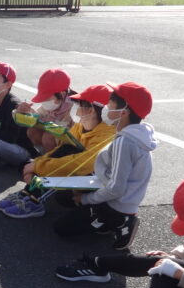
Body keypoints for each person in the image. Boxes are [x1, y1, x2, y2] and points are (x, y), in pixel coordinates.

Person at [51, 81, 156, 250]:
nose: (106, 107)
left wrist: (86, 199)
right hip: (115, 192)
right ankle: (102, 219)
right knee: (63, 197)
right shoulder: (137, 133)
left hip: (117, 204)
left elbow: (116, 189)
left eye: (110, 103)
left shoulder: (125, 142)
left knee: (61, 227)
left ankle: (119, 222)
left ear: (123, 112)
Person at [0, 84, 115, 219]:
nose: (77, 112)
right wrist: (37, 164)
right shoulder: (81, 127)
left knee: (61, 187)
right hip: (81, 170)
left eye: (80, 107)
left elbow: (79, 164)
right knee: (65, 150)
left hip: (96, 180)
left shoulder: (108, 135)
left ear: (91, 111)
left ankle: (35, 201)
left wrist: (38, 167)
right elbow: (60, 150)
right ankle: (27, 194)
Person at [15, 69, 74, 155]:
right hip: (53, 146)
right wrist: (24, 112)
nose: (44, 102)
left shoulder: (75, 107)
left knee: (48, 136)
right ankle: (43, 156)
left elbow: (76, 135)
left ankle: (51, 160)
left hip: (72, 149)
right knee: (32, 131)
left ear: (62, 94)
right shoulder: (53, 106)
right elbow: (39, 117)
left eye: (47, 98)